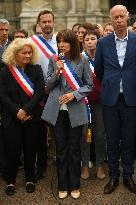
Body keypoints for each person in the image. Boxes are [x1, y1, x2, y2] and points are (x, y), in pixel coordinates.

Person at [42, 29, 93, 199]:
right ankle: (63, 185)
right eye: (59, 41)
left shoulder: (82, 59)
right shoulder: (53, 59)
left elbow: (89, 85)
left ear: (73, 43)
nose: (61, 44)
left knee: (74, 148)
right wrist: (56, 71)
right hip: (57, 111)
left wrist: (74, 94)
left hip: (75, 110)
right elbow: (47, 86)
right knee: (61, 149)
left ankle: (75, 184)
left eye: (65, 41)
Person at [95, 5, 136, 194]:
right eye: (115, 17)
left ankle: (128, 175)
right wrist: (111, 83)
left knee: (129, 138)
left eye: (122, 16)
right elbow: (99, 70)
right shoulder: (103, 43)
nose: (119, 20)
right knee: (111, 139)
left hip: (131, 98)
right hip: (110, 99)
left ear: (127, 17)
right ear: (111, 19)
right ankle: (113, 176)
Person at [0, 38, 45, 195]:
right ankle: (10, 181)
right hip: (12, 118)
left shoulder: (36, 69)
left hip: (31, 116)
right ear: (14, 54)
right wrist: (17, 112)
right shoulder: (5, 71)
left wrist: (25, 110)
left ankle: (30, 178)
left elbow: (39, 93)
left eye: (29, 52)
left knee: (30, 150)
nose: (27, 55)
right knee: (12, 151)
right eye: (23, 53)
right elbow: (3, 95)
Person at [30, 10, 57, 181]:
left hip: (57, 92)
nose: (47, 24)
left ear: (54, 22)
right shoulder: (31, 42)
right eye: (43, 22)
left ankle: (59, 161)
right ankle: (41, 166)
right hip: (38, 93)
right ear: (39, 24)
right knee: (39, 132)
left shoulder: (61, 41)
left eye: (49, 21)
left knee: (58, 130)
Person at [82, 29, 106, 180]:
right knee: (84, 135)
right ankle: (84, 165)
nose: (90, 42)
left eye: (93, 39)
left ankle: (99, 165)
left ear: (98, 40)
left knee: (99, 134)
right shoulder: (79, 59)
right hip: (83, 102)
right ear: (83, 43)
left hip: (100, 102)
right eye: (87, 39)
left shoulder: (104, 57)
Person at [0, 18, 10, 176]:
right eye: (0, 30)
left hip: (9, 94)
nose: (3, 33)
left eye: (5, 30)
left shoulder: (13, 46)